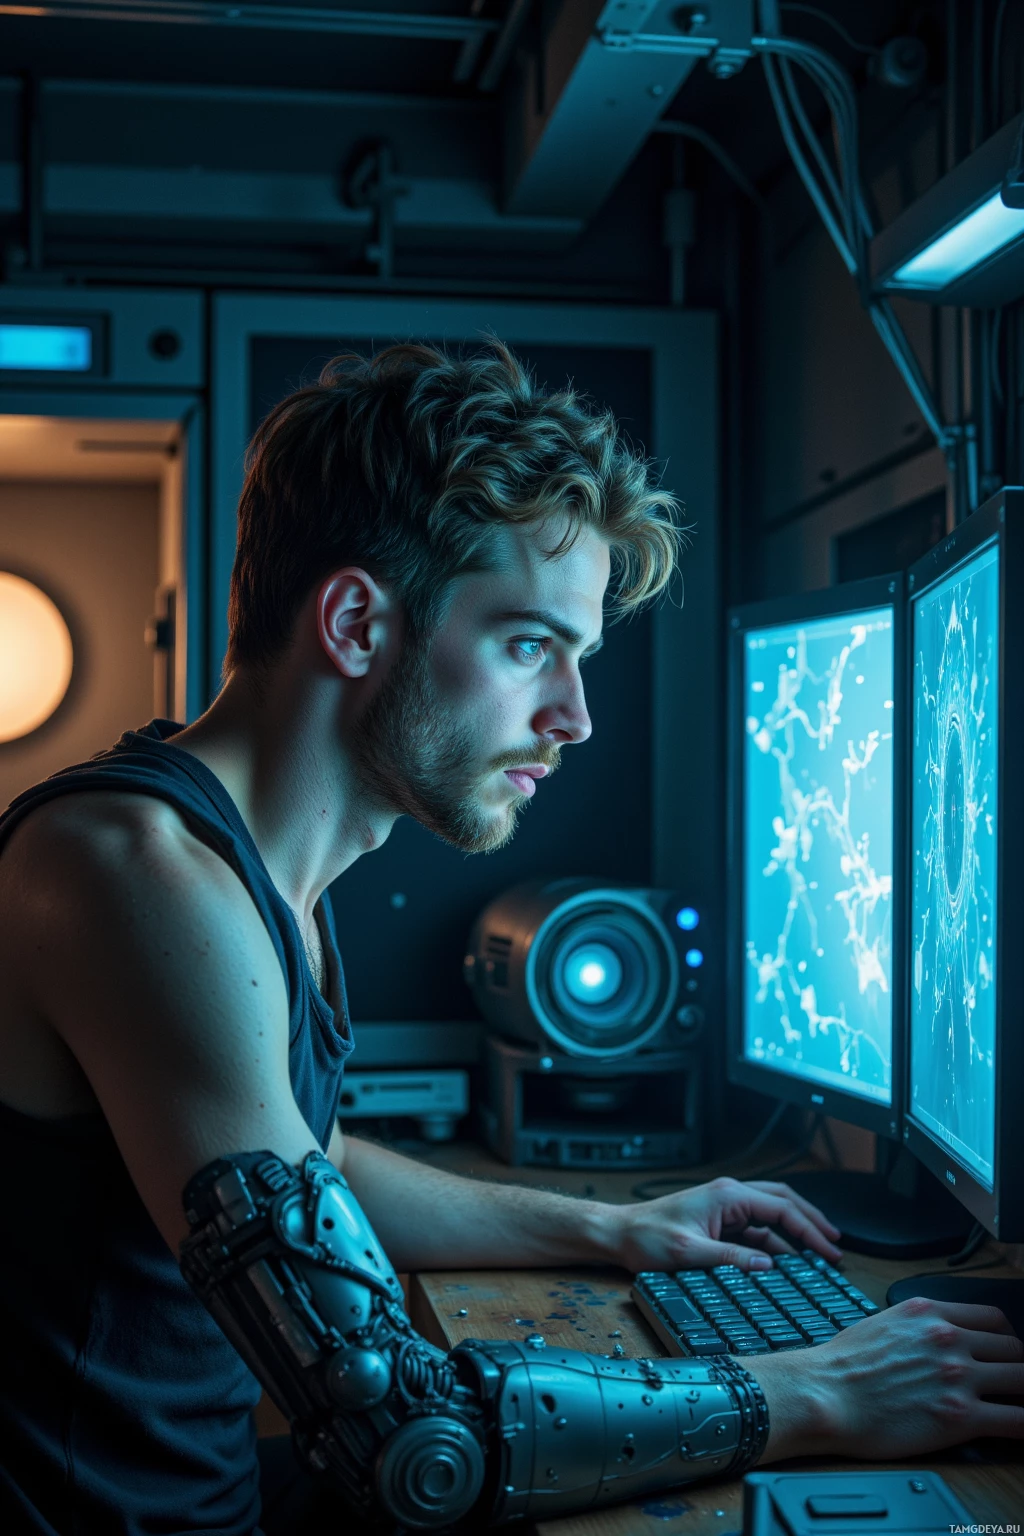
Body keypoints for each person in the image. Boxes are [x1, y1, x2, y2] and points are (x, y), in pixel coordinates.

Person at [0, 341, 1020, 1536]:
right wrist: (813, 1391)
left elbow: (310, 1164)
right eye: (531, 644)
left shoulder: (258, 869)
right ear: (355, 622)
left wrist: (614, 1228)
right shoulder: (136, 877)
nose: (574, 718)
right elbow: (402, 1435)